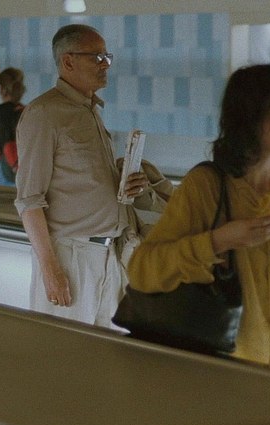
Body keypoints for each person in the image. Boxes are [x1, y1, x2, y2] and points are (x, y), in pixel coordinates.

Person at [127, 64, 270, 374]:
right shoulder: (207, 185)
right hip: (228, 370)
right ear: (249, 119)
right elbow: (143, 271)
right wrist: (219, 240)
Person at [14, 24, 172, 327]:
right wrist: (51, 269)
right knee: (65, 350)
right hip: (71, 256)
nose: (105, 65)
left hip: (110, 253)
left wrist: (129, 184)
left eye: (107, 57)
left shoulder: (90, 111)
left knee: (107, 350)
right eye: (97, 57)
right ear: (68, 61)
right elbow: (29, 200)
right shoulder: (44, 114)